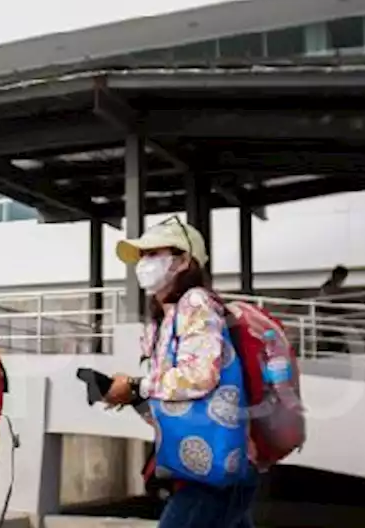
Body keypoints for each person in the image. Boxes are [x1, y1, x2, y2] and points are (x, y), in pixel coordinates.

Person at [102, 216, 259, 528]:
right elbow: (173, 406)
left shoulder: (195, 302)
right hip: (207, 468)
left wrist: (136, 386)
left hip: (214, 472)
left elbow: (201, 375)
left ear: (185, 260)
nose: (144, 263)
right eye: (142, 256)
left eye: (153, 254)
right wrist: (130, 396)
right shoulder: (164, 322)